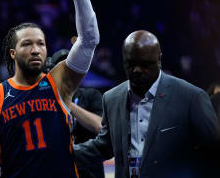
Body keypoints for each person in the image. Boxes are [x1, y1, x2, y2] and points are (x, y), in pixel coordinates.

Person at [0, 0, 100, 177]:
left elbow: (89, 41)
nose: (35, 49)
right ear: (12, 53)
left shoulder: (58, 82)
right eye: (27, 44)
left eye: (41, 44)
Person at [74, 30, 220, 178]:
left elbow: (214, 152)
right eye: (130, 64)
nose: (137, 70)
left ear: (159, 59)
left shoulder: (191, 97)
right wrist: (61, 153)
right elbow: (104, 146)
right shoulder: (112, 98)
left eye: (145, 64)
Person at [50, 48, 104, 178]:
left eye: (72, 67)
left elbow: (100, 126)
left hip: (89, 171)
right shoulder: (46, 100)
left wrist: (67, 102)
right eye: (62, 68)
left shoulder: (91, 95)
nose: (68, 72)